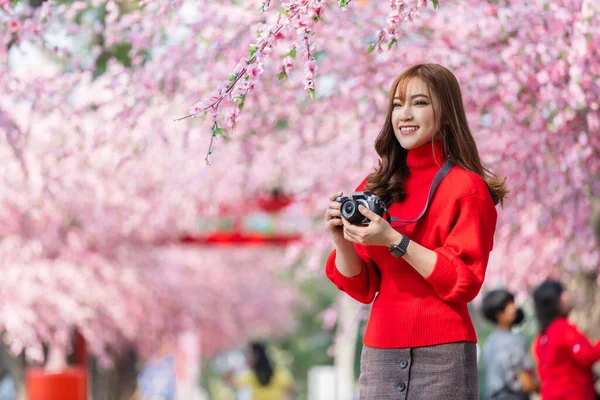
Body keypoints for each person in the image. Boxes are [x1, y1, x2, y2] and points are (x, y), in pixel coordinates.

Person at [324, 63, 505, 399]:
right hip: (379, 352)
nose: (404, 115)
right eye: (397, 104)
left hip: (444, 353)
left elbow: (462, 281)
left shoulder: (467, 188)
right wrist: (342, 241)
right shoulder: (374, 187)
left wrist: (394, 240)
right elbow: (362, 287)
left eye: (419, 103)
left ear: (447, 114)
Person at [532, 279, 600, 400]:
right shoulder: (562, 328)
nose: (568, 296)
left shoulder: (542, 337)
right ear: (556, 300)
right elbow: (586, 355)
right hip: (573, 395)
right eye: (563, 292)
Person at [481, 289, 538, 399]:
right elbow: (526, 383)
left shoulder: (489, 342)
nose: (513, 307)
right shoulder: (516, 341)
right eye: (508, 305)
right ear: (499, 314)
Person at [226, 341, 295, 400]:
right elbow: (229, 381)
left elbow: (291, 392)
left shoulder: (279, 374)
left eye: (251, 354)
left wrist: (242, 365)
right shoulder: (280, 373)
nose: (248, 357)